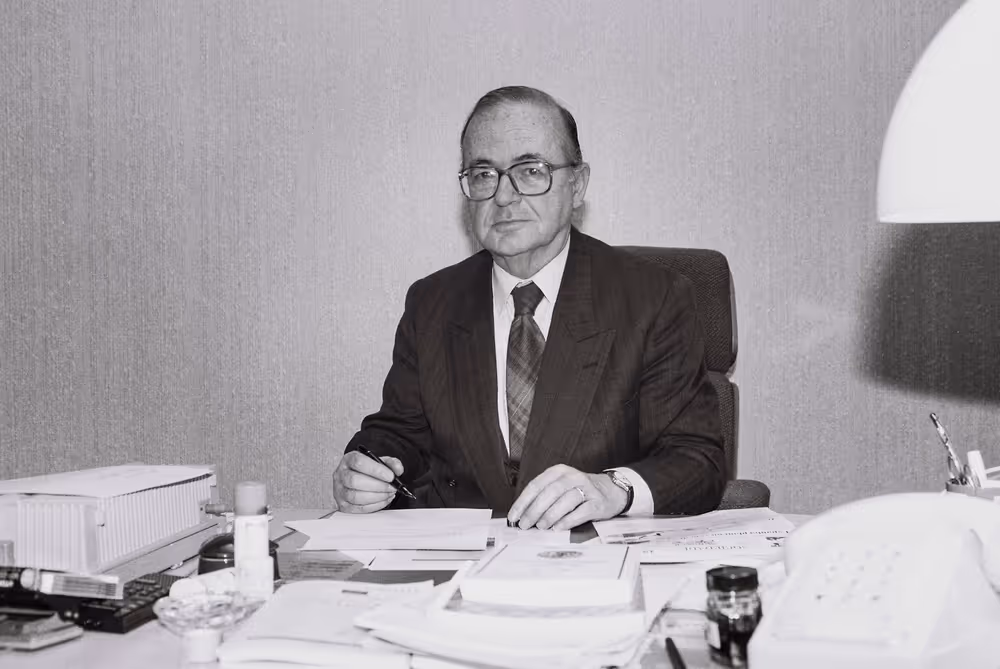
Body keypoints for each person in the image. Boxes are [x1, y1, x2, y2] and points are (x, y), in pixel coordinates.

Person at [332, 86, 725, 530]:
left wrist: (613, 488)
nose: (503, 196)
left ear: (576, 185)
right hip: (461, 569)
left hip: (594, 566)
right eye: (483, 174)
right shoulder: (432, 303)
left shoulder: (653, 296)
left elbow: (698, 460)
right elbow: (399, 434)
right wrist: (367, 467)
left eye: (530, 170)